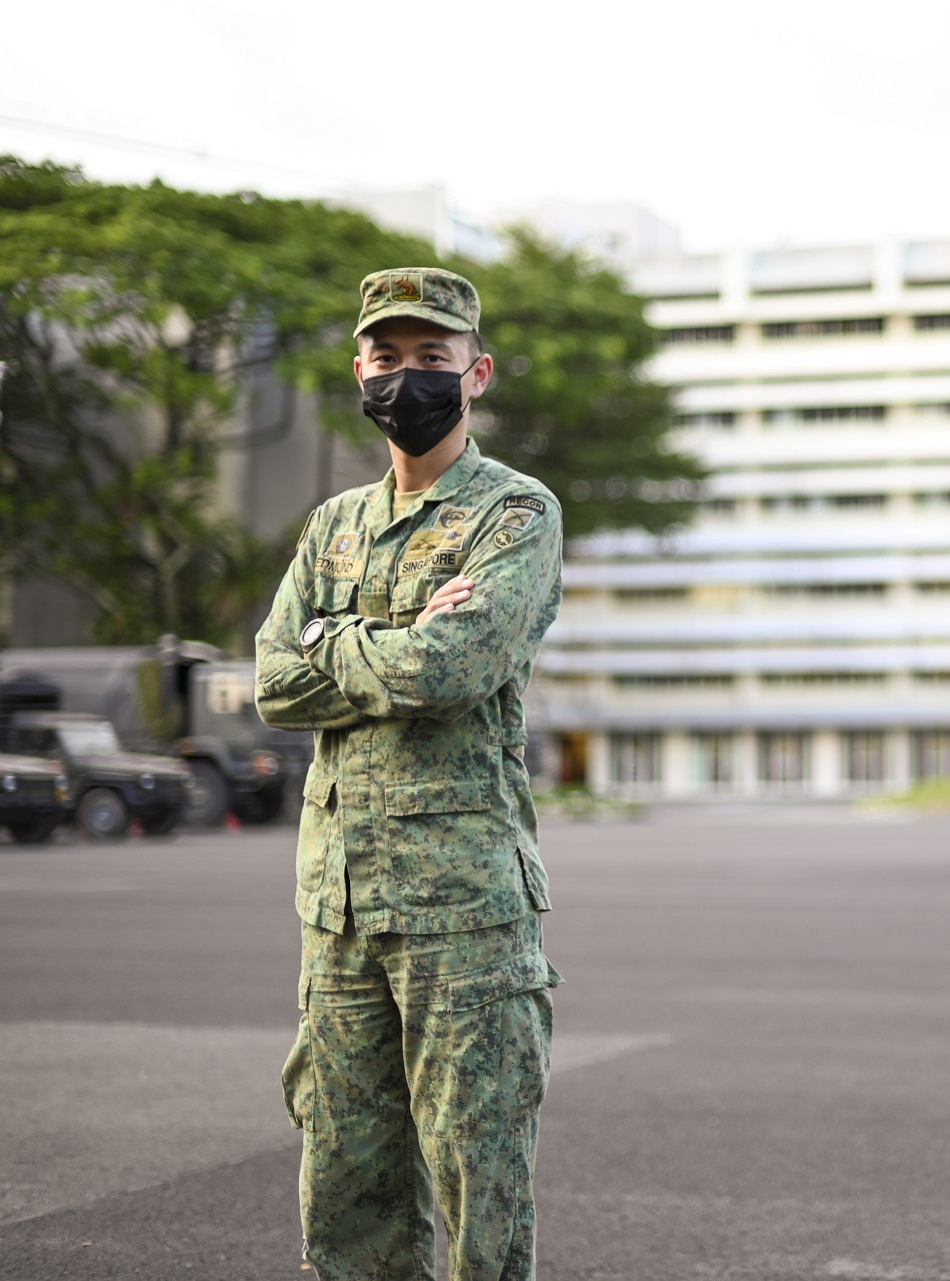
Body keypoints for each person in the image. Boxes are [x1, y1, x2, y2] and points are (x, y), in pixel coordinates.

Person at [256, 267, 564, 1281]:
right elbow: (272, 682)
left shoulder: (514, 513)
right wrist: (385, 638)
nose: (406, 377)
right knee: (345, 1178)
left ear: (476, 374)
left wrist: (331, 636)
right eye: (385, 357)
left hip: (462, 909)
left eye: (432, 357)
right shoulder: (332, 524)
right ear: (360, 373)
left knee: (479, 1178)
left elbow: (451, 669)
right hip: (339, 909)